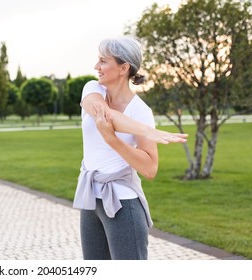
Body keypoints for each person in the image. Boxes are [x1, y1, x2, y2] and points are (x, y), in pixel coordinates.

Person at [73, 36, 187, 260]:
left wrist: (113, 139)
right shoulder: (92, 89)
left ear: (124, 67)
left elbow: (150, 168)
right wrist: (146, 131)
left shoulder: (140, 111)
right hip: (91, 198)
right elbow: (103, 114)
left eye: (103, 61)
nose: (97, 66)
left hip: (123, 204)